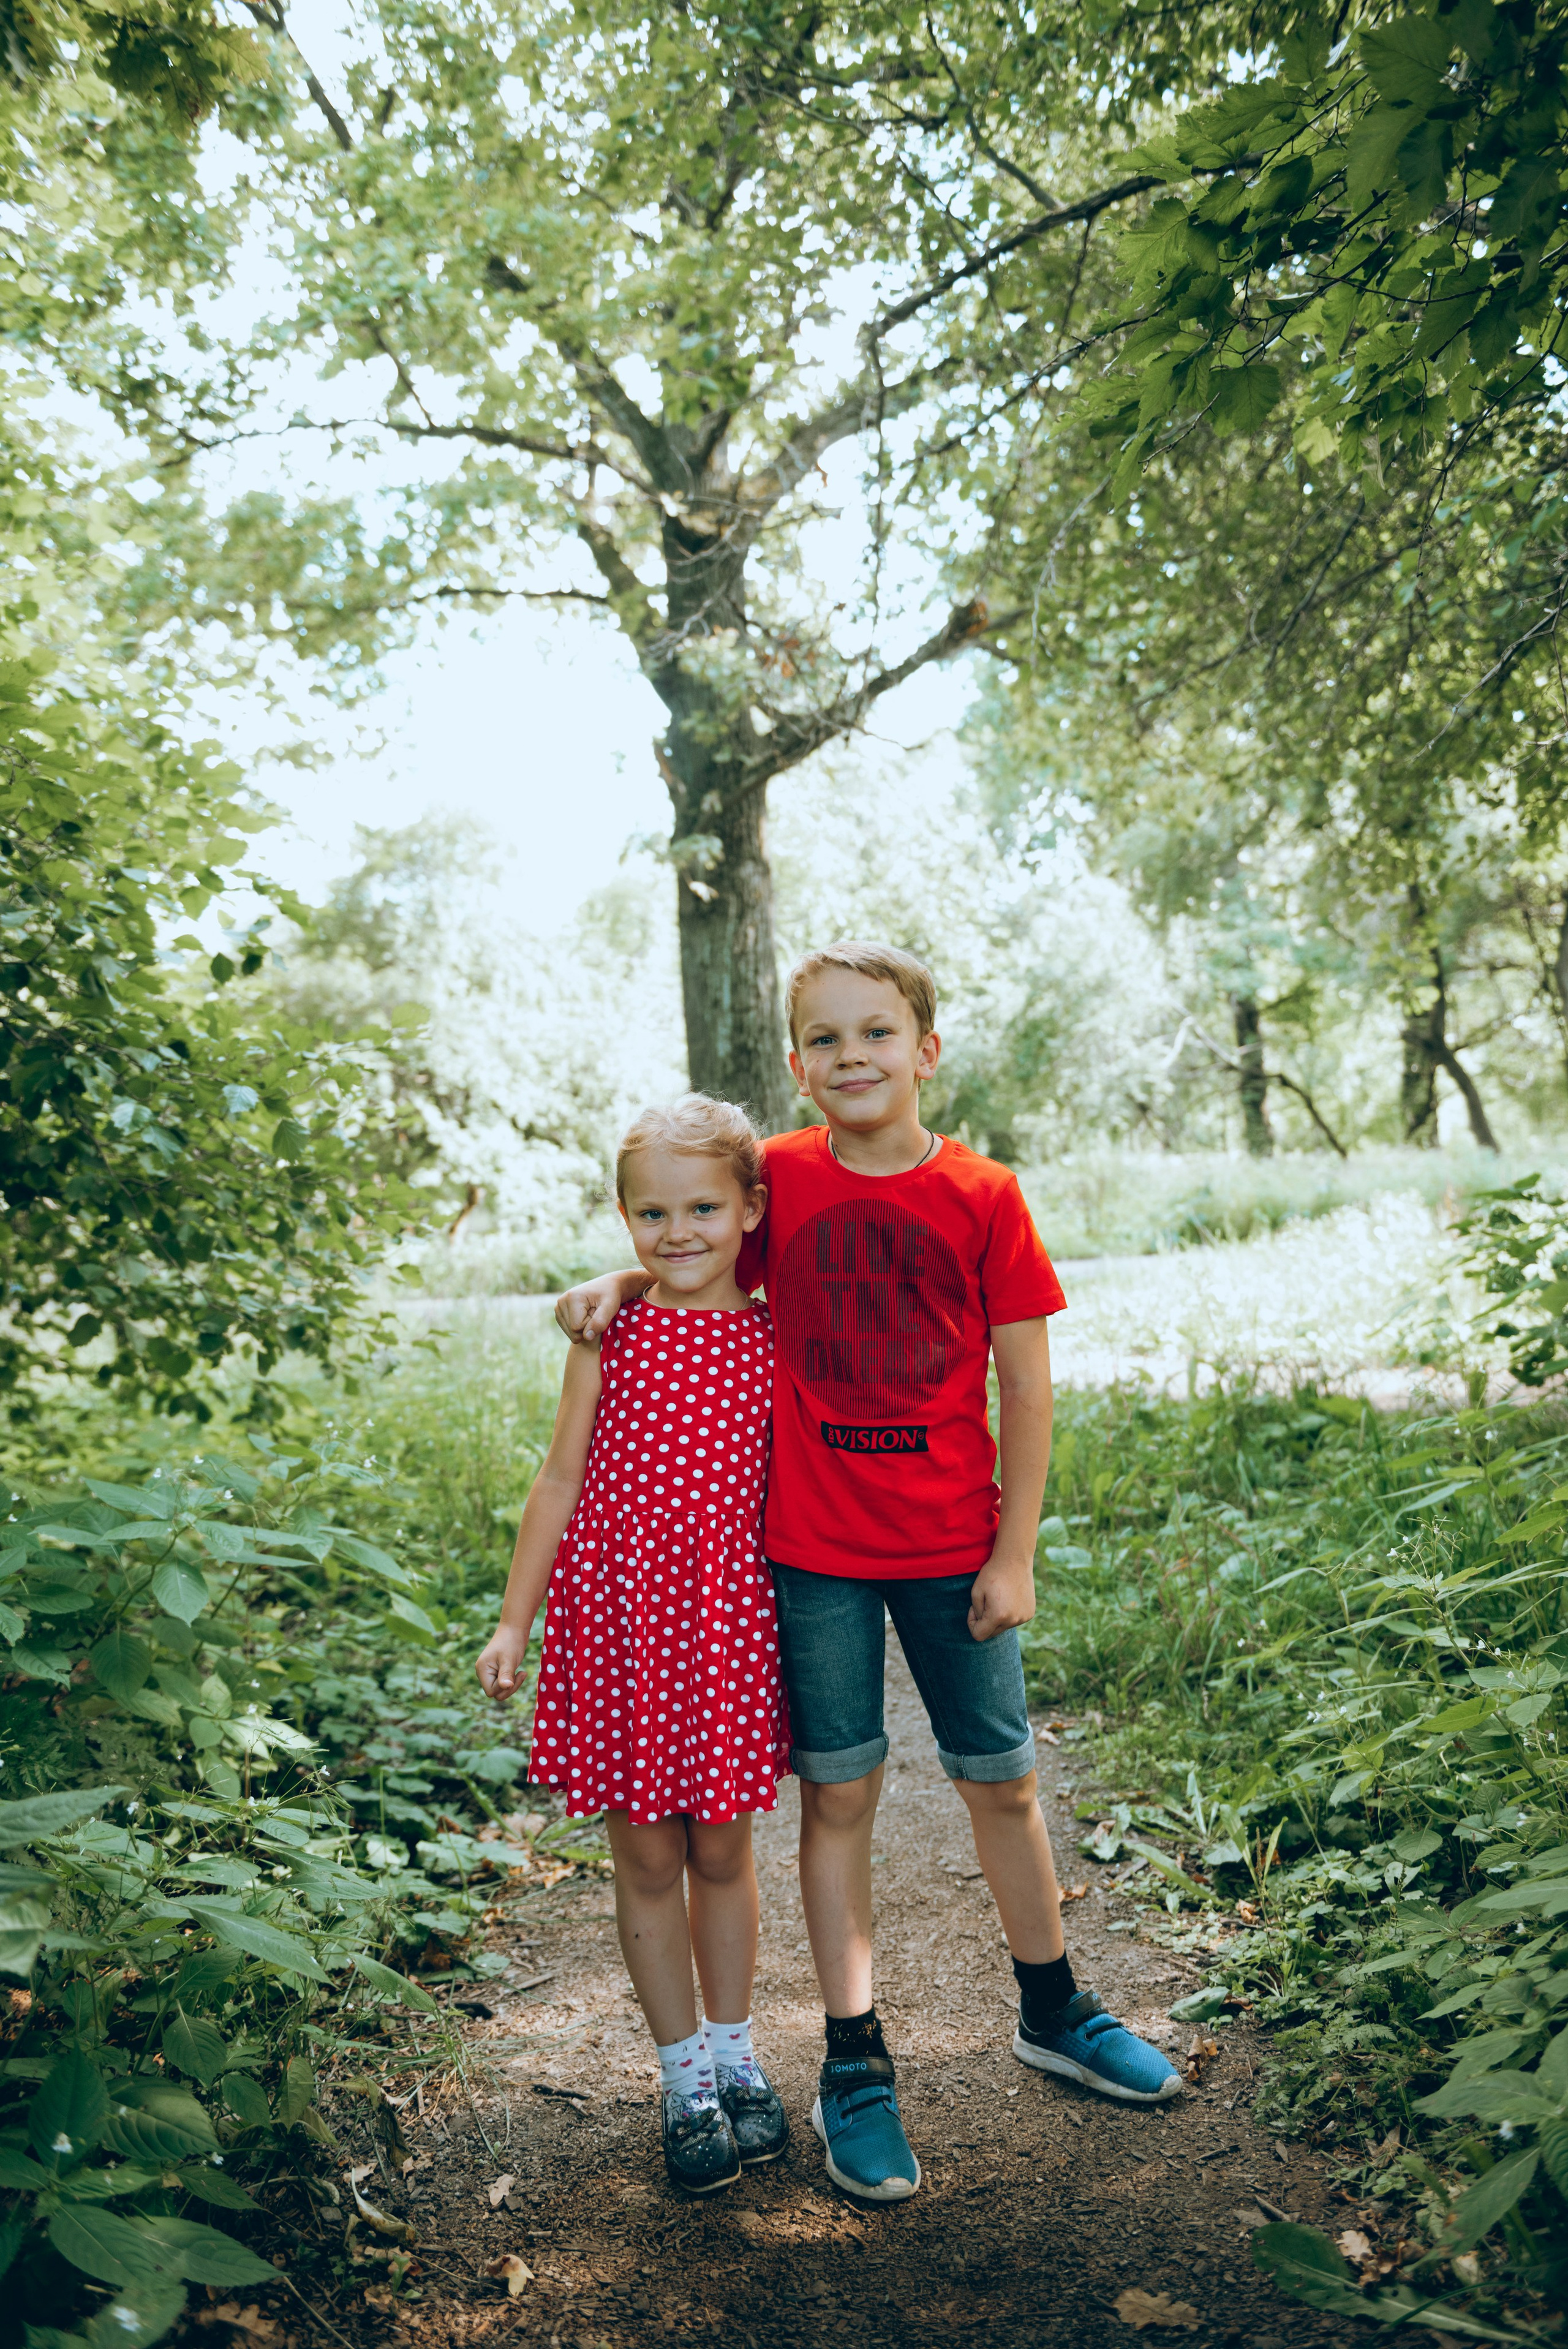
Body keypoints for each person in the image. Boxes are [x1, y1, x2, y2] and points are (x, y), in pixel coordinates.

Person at [557, 941, 1181, 2204]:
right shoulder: (777, 1177)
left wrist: (1014, 1549)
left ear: (924, 1048)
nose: (851, 1057)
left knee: (998, 1779)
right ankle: (853, 2062)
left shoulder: (984, 1194)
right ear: (795, 1066)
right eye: (825, 1040)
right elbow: (701, 1247)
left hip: (954, 1547)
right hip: (815, 1552)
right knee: (838, 1798)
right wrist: (620, 1278)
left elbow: (1023, 1380)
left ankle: (1052, 2007)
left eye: (875, 1033)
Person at [477, 1096, 793, 2195]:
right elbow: (558, 1480)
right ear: (622, 1215)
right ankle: (683, 2078)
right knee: (648, 1855)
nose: (678, 1231)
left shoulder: (773, 1330)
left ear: (751, 1209)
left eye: (705, 1206)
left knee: (721, 1851)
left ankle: (742, 2054)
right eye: (651, 1212)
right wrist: (517, 1619)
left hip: (725, 1631)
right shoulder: (612, 1334)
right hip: (616, 1630)